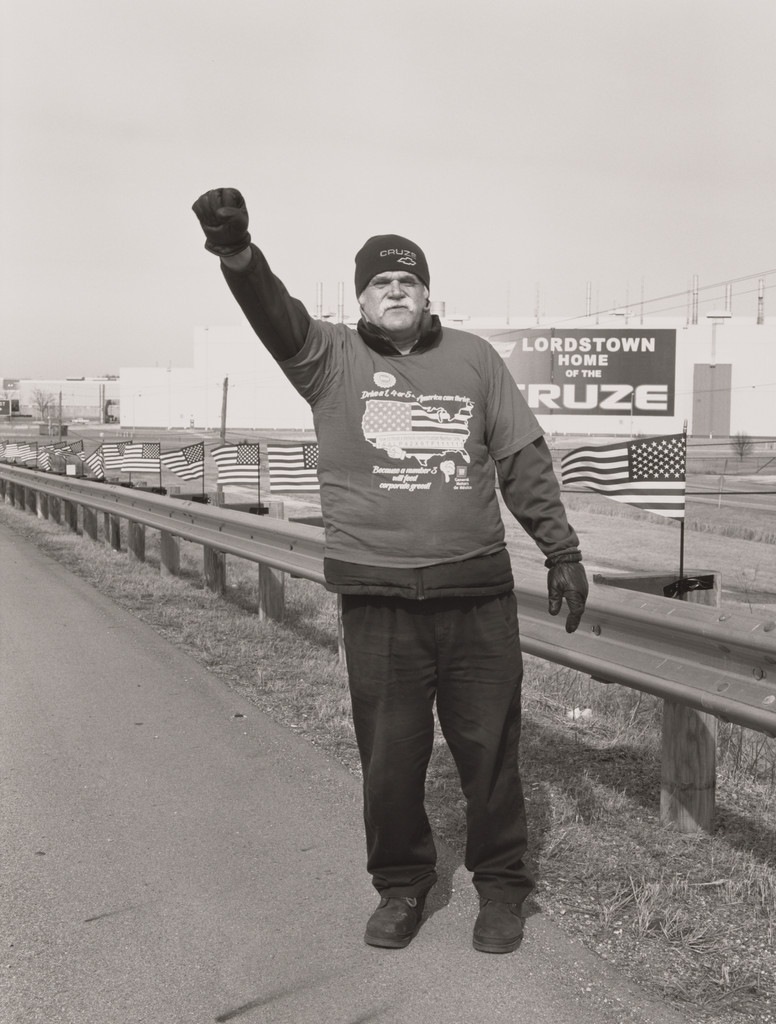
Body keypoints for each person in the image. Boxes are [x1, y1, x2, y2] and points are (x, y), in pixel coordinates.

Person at [192, 188, 589, 954]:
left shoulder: (472, 357)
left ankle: (501, 890)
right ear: (362, 299)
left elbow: (520, 459)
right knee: (390, 761)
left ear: (427, 292)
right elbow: (272, 310)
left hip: (475, 597)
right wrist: (235, 252)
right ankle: (402, 887)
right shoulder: (327, 359)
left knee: (489, 754)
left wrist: (561, 551)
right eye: (381, 282)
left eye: (408, 280)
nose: (395, 291)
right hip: (378, 602)